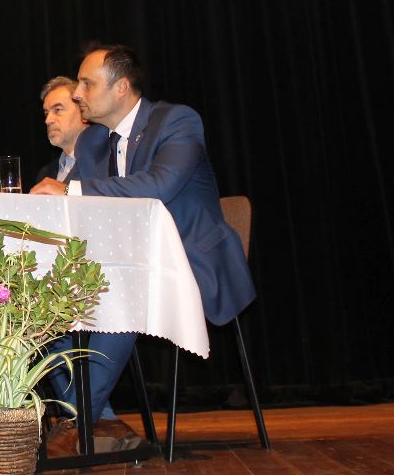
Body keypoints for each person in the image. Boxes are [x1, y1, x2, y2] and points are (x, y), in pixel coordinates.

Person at [32, 43, 256, 453]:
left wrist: (69, 189)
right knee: (49, 302)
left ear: (120, 88)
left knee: (123, 290)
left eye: (86, 83)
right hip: (127, 263)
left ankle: (76, 423)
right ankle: (91, 423)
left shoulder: (177, 121)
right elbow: (84, 211)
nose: (78, 93)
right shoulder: (94, 142)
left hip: (189, 259)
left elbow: (159, 185)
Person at [35, 76, 91, 186]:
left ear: (83, 112)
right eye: (46, 113)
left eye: (57, 110)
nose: (48, 120)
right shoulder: (45, 174)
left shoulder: (104, 163)